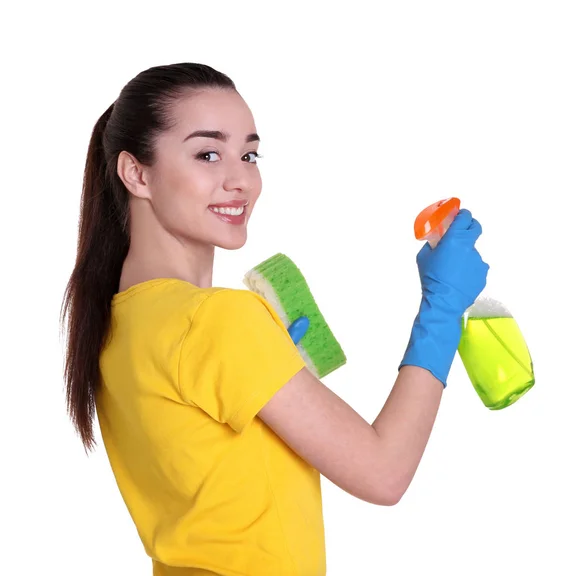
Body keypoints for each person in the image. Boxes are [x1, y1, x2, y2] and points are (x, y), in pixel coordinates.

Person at [61, 62, 489, 576]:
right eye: (208, 154)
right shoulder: (218, 320)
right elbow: (383, 473)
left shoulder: (117, 322)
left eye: (249, 154)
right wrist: (441, 309)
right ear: (136, 173)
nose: (240, 179)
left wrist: (270, 368)